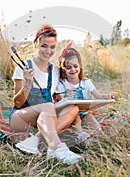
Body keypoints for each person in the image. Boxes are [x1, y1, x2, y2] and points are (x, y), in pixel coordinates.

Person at [9, 24, 82, 165]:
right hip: (21, 118)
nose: (48, 51)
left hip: (43, 121)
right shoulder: (23, 67)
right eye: (44, 46)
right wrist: (28, 84)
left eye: (52, 47)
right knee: (48, 106)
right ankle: (57, 148)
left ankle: (35, 139)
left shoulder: (55, 71)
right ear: (35, 45)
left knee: (73, 109)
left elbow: (73, 76)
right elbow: (17, 103)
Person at [54, 43, 115, 143]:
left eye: (75, 66)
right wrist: (66, 97)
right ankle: (82, 137)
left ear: (80, 66)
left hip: (84, 113)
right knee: (75, 114)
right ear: (63, 69)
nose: (73, 70)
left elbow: (98, 96)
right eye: (68, 68)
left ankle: (101, 138)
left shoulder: (86, 82)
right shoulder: (62, 85)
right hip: (69, 116)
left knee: (93, 122)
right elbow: (58, 102)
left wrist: (107, 96)